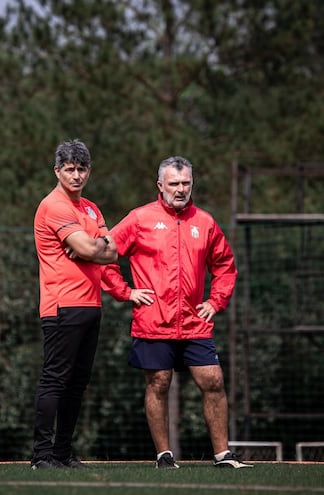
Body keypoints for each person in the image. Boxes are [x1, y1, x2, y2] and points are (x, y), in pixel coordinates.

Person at [101, 156, 253, 469]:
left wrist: (215, 301)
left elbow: (225, 266)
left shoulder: (206, 222)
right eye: (174, 184)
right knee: (158, 384)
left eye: (185, 183)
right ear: (160, 185)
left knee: (214, 381)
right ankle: (163, 456)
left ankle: (223, 456)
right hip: (153, 321)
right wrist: (126, 291)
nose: (180, 189)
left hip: (195, 322)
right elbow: (104, 256)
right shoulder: (139, 218)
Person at [31, 139, 117, 470]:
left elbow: (112, 251)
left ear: (89, 171)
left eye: (82, 169)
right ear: (57, 171)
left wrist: (94, 247)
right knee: (55, 379)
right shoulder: (54, 205)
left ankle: (62, 452)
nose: (76, 175)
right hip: (61, 305)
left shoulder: (91, 209)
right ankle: (41, 455)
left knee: (77, 382)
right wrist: (94, 247)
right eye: (69, 169)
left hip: (91, 304)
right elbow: (96, 249)